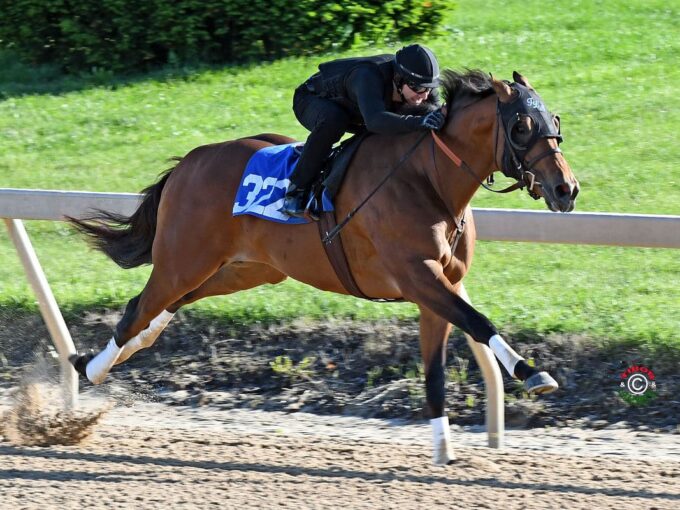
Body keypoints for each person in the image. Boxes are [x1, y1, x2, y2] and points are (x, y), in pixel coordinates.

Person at [281, 44, 445, 218]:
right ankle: (296, 189)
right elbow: (375, 121)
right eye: (419, 88)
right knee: (334, 120)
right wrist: (419, 121)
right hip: (311, 100)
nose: (424, 95)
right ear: (398, 79)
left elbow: (434, 112)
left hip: (355, 108)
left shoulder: (419, 85)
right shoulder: (367, 76)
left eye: (429, 88)